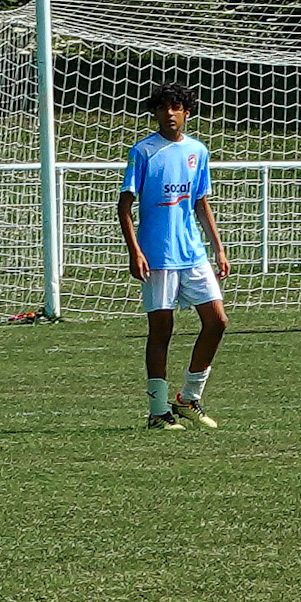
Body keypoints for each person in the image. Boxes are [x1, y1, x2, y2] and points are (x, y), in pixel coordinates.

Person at [117, 81, 228, 429]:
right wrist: (135, 251)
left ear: (186, 112)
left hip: (192, 252)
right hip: (158, 255)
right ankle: (157, 411)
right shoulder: (144, 152)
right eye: (163, 107)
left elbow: (200, 202)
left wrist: (218, 247)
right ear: (155, 113)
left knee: (217, 321)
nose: (169, 114)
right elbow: (124, 206)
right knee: (161, 329)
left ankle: (189, 397)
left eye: (176, 107)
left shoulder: (198, 150)